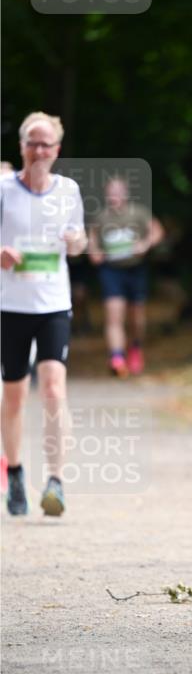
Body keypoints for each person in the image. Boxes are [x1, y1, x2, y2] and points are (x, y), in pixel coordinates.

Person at [0, 111, 87, 516]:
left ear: (57, 149)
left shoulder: (68, 189)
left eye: (46, 143)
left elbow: (79, 241)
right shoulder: (4, 189)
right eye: (32, 142)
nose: (39, 150)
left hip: (53, 304)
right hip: (10, 306)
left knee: (54, 388)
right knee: (14, 395)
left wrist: (75, 241)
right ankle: (15, 472)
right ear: (21, 147)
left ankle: (56, 480)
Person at [88, 176, 164, 376]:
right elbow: (92, 240)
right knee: (114, 314)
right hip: (111, 270)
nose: (115, 196)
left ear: (126, 193)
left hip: (135, 269)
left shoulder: (138, 213)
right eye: (111, 192)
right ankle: (116, 357)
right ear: (106, 195)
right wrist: (94, 252)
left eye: (118, 192)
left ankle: (135, 348)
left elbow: (157, 231)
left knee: (136, 318)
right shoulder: (101, 217)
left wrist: (145, 244)